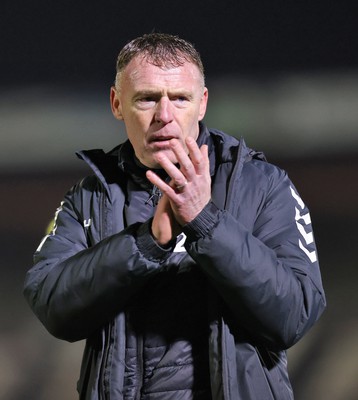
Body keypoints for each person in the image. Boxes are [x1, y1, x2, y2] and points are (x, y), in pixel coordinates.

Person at [24, 33, 326, 400]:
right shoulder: (89, 197)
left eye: (179, 99)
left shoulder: (264, 185)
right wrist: (146, 244)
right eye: (147, 98)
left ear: (202, 104)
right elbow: (52, 305)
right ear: (117, 103)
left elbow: (293, 316)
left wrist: (205, 222)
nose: (164, 116)